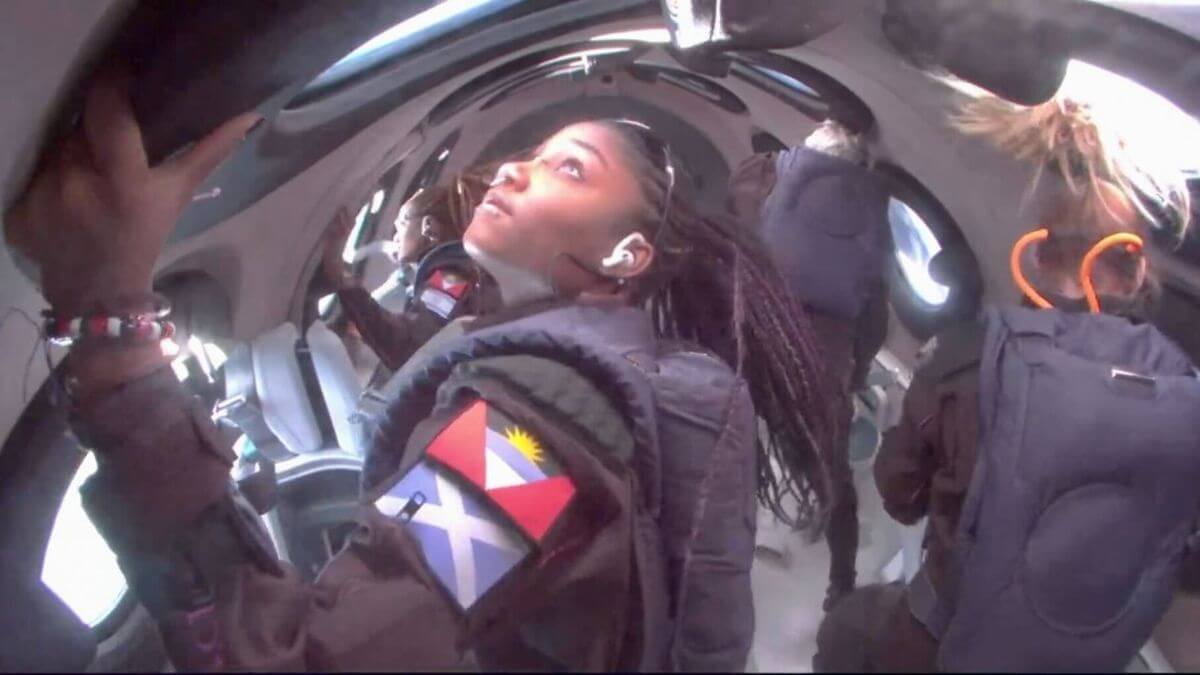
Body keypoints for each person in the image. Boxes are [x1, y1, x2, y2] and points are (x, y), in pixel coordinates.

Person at [5, 77, 843, 671]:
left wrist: (109, 331)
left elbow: (295, 662)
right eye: (530, 151)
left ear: (623, 257)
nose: (514, 168)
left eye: (570, 167)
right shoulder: (599, 360)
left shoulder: (531, 434)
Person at [813, 94, 1200, 672]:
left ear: (1036, 256)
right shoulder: (1187, 394)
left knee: (845, 631)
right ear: (1138, 268)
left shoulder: (968, 360)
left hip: (941, 646)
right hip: (1088, 659)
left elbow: (900, 497)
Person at [727, 118, 893, 610]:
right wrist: (858, 371)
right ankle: (840, 580)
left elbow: (733, 235)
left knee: (732, 446)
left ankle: (725, 544)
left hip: (761, 326)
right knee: (833, 469)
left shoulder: (768, 176)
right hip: (828, 351)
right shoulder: (872, 212)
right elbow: (874, 313)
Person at [319, 174, 496, 374]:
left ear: (428, 228)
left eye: (402, 225)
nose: (395, 237)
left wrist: (341, 276)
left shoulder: (451, 279)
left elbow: (407, 347)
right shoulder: (456, 272)